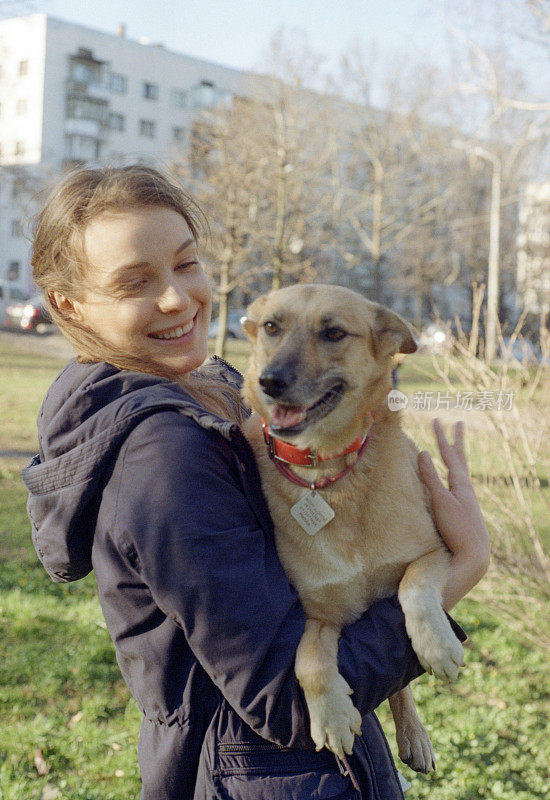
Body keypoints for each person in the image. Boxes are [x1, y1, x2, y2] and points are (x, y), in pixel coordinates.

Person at [22, 165, 490, 800]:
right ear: (69, 306)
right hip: (270, 776)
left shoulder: (197, 394)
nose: (176, 299)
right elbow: (285, 704)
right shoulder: (163, 455)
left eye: (186, 264)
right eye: (135, 282)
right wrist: (463, 566)